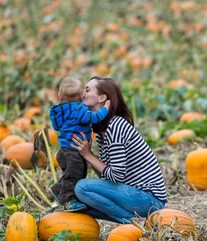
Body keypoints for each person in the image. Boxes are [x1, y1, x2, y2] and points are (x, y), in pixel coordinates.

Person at [69, 76, 167, 223]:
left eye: (87, 89)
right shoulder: (103, 130)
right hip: (133, 194)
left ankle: (130, 220)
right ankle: (134, 221)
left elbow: (117, 176)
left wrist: (89, 156)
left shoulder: (115, 126)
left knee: (82, 188)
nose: (83, 93)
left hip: (148, 198)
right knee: (78, 203)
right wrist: (88, 155)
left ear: (102, 97)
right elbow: (107, 176)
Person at [49, 76, 111, 211]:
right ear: (82, 96)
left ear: (59, 95)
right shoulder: (79, 109)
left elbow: (56, 127)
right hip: (73, 152)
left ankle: (58, 188)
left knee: (75, 174)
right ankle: (68, 200)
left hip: (64, 151)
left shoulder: (58, 111)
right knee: (75, 175)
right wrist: (106, 108)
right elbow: (95, 117)